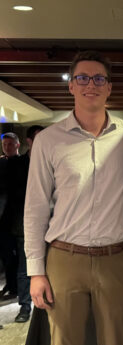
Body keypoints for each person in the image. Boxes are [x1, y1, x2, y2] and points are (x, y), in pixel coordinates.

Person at [24, 50, 123, 345]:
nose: (89, 85)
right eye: (81, 78)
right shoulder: (48, 141)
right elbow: (36, 207)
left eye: (98, 78)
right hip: (64, 260)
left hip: (116, 260)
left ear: (109, 87)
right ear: (71, 86)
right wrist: (36, 271)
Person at [12, 125, 44, 323]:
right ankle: (25, 306)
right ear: (29, 142)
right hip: (24, 223)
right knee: (25, 268)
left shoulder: (53, 159)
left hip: (51, 224)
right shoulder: (17, 164)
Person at [0, 132, 21, 301]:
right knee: (7, 256)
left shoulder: (25, 163)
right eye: (4, 144)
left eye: (10, 144)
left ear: (17, 145)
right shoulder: (1, 163)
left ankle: (21, 287)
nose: (7, 147)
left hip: (19, 217)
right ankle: (12, 285)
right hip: (3, 219)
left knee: (21, 256)